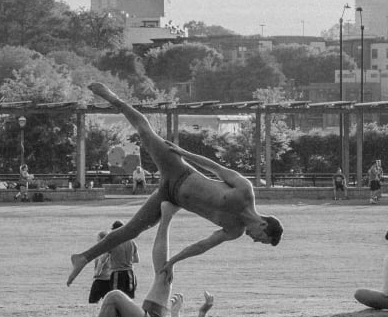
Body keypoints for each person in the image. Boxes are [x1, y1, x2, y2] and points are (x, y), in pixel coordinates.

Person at [67, 82, 282, 287]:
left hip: (170, 196)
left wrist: (173, 261)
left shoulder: (235, 230)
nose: (255, 241)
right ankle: (113, 98)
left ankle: (83, 258)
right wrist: (183, 153)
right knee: (145, 132)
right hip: (178, 170)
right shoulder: (245, 192)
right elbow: (215, 168)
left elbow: (203, 245)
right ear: (264, 226)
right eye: (262, 239)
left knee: (132, 230)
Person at [61, 202, 273, 317]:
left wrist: (202, 313)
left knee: (114, 297)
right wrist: (176, 315)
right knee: (165, 275)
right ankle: (167, 216)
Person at [106, 219, 139, 298]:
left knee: (116, 297)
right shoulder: (132, 242)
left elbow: (104, 258)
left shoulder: (113, 243)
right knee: (128, 299)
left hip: (117, 273)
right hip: (130, 273)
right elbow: (136, 259)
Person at [87, 230, 113, 304]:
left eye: (98, 238)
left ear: (102, 239)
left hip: (101, 279)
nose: (96, 239)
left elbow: (101, 262)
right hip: (109, 279)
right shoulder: (111, 248)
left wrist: (97, 273)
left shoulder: (103, 250)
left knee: (92, 301)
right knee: (109, 302)